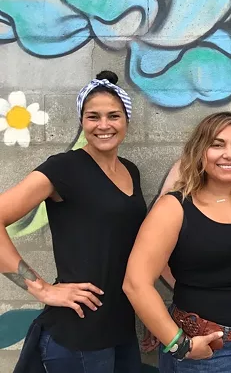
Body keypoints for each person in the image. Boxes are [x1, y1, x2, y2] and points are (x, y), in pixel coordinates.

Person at [123, 111, 231, 372]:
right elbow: (135, 284)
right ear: (199, 151)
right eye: (217, 145)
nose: (229, 154)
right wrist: (180, 345)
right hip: (208, 354)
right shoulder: (174, 208)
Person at [2, 71, 146, 373]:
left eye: (113, 116)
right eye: (93, 116)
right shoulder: (64, 167)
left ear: (126, 122)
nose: (103, 125)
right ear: (82, 121)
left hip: (121, 327)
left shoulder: (130, 171)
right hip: (79, 337)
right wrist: (42, 289)